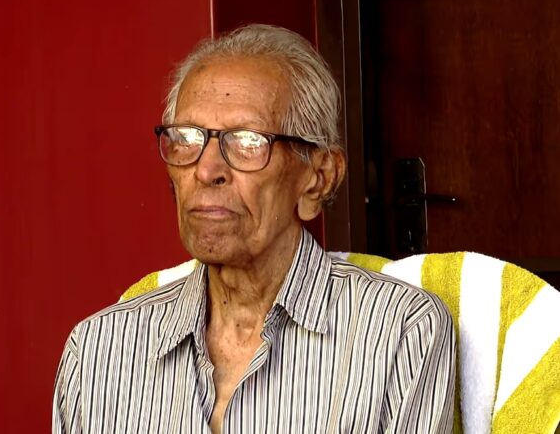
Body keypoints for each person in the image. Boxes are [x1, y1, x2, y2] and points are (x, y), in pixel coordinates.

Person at [52, 24, 455, 433]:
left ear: (318, 178)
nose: (206, 170)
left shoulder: (400, 331)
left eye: (247, 142)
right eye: (186, 138)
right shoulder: (99, 351)